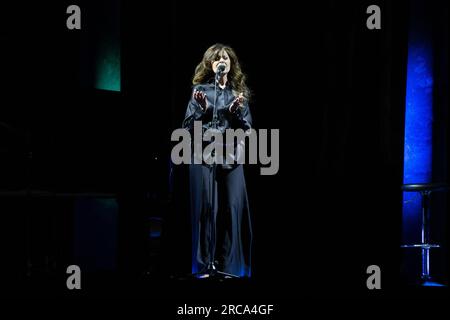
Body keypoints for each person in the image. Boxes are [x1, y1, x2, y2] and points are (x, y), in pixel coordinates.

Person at [182, 43, 252, 278]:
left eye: (226, 58)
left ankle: (230, 266)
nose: (222, 61)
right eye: (217, 58)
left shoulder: (238, 93)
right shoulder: (200, 90)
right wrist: (201, 110)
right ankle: (203, 264)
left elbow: (248, 129)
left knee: (231, 208)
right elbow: (187, 128)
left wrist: (236, 112)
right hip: (203, 155)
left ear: (231, 64)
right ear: (211, 65)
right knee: (206, 208)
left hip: (231, 155)